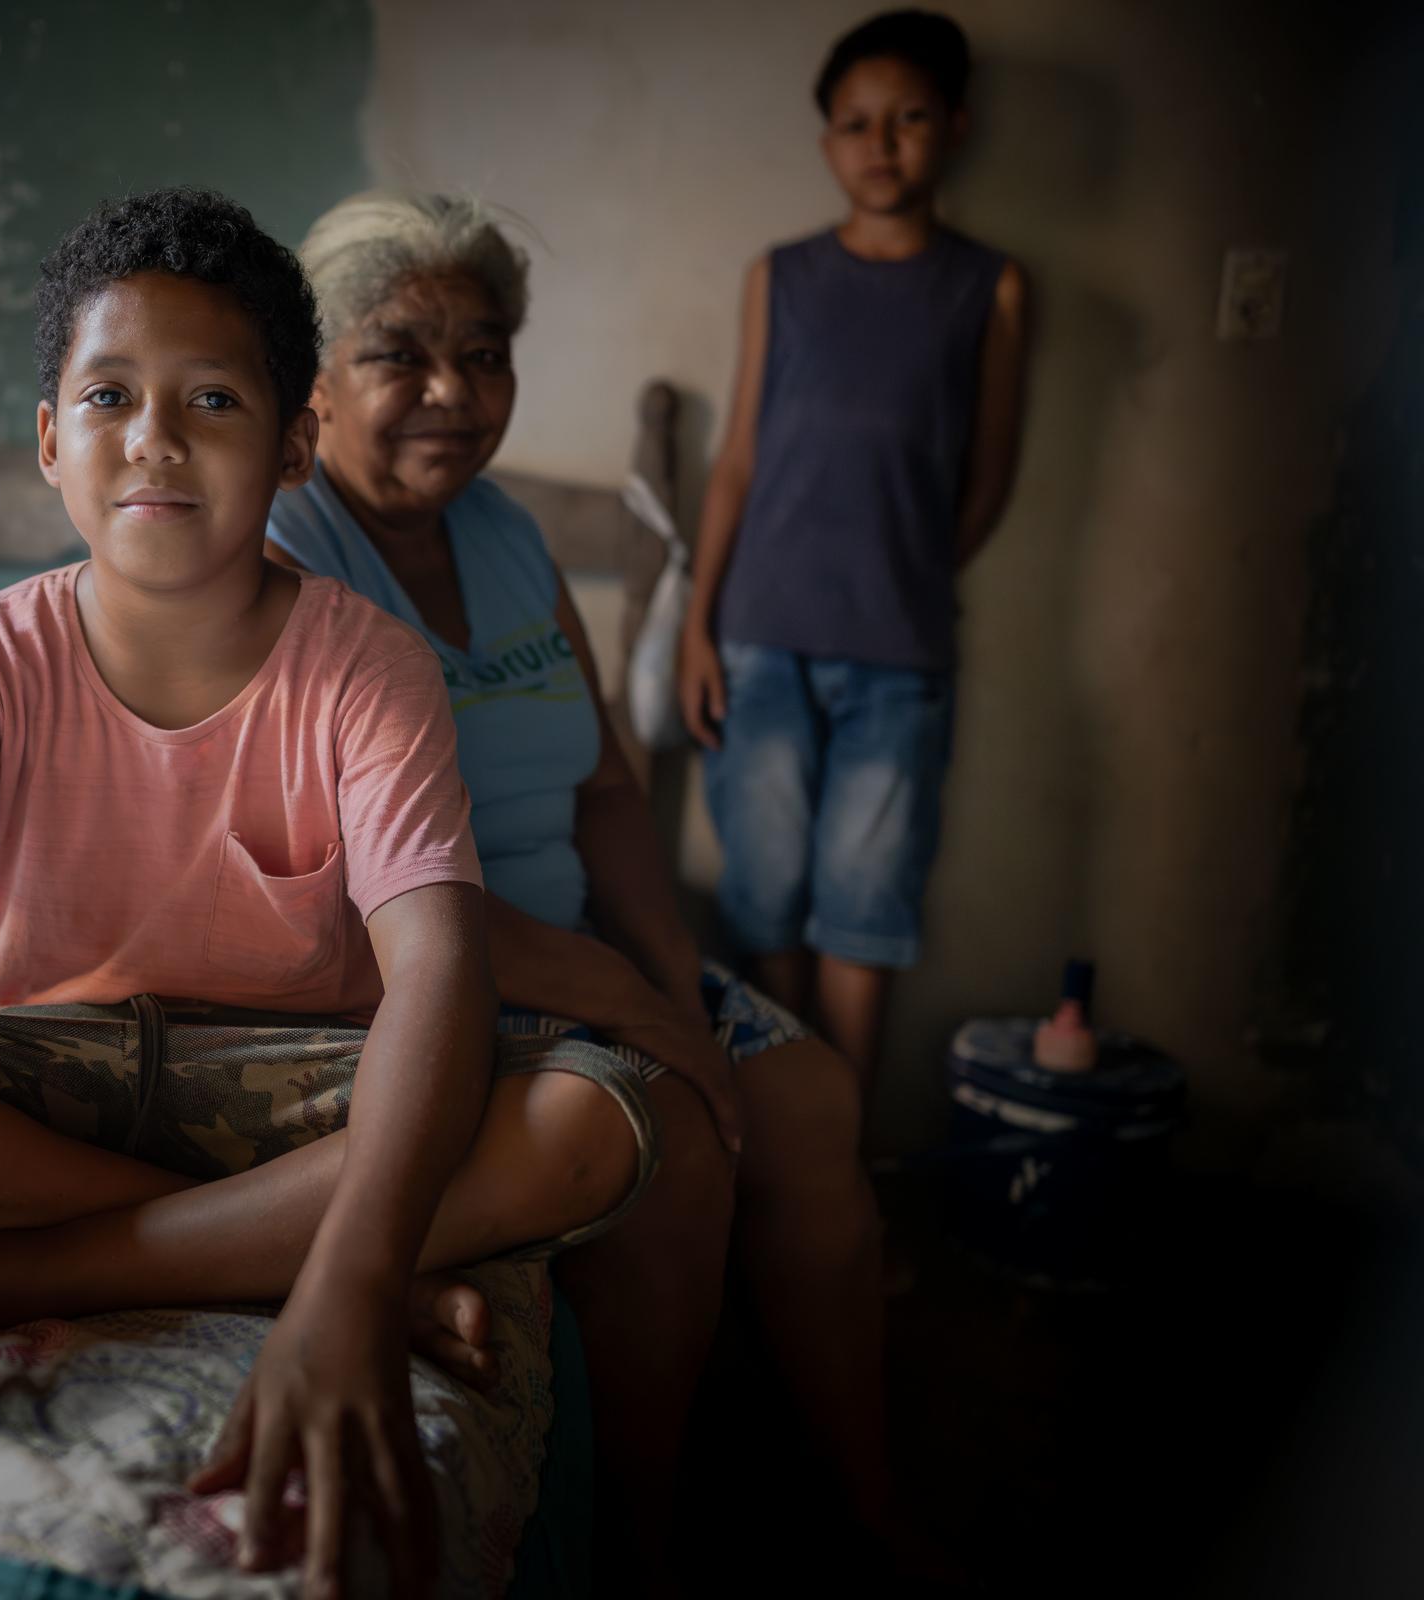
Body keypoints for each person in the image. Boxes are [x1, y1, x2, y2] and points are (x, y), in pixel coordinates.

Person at [0, 187, 655, 1600]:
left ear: (292, 449)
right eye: (110, 395)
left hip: (296, 1083)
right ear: (53, 440)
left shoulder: (366, 668)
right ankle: (257, 1246)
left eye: (213, 399)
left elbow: (438, 971)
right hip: (53, 1073)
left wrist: (349, 1287)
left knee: (592, 1115)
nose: (154, 436)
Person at [268, 188, 897, 1589]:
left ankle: (863, 1508)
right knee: (669, 1146)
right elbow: (345, 886)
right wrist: (636, 1008)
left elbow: (607, 786)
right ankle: (641, 1547)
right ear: (315, 378)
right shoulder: (288, 551)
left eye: (484, 355)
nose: (452, 391)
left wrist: (670, 978)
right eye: (400, 354)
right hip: (413, 972)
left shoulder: (504, 534)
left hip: (576, 943)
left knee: (810, 1098)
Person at [678, 8, 1030, 1084]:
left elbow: (988, 477)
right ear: (827, 140)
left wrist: (904, 576)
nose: (881, 145)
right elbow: (738, 460)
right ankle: (784, 1128)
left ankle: (843, 1151)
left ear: (955, 125)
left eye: (908, 118)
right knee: (765, 898)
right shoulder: (781, 276)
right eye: (855, 123)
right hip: (758, 643)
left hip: (898, 656)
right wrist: (699, 625)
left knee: (864, 909)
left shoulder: (990, 287)